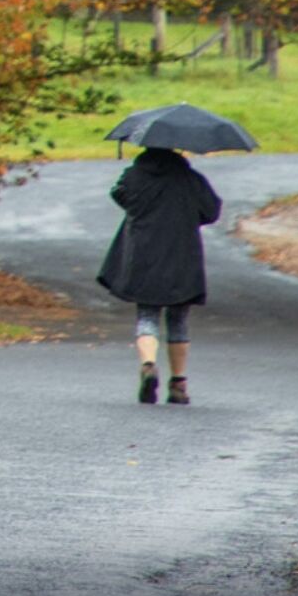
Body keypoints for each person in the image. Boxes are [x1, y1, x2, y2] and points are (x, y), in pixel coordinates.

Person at [97, 144, 222, 405]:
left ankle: (148, 365)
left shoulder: (134, 176)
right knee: (178, 319)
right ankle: (178, 384)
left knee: (147, 314)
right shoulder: (191, 179)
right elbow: (211, 211)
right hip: (182, 253)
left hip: (143, 253)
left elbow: (119, 196)